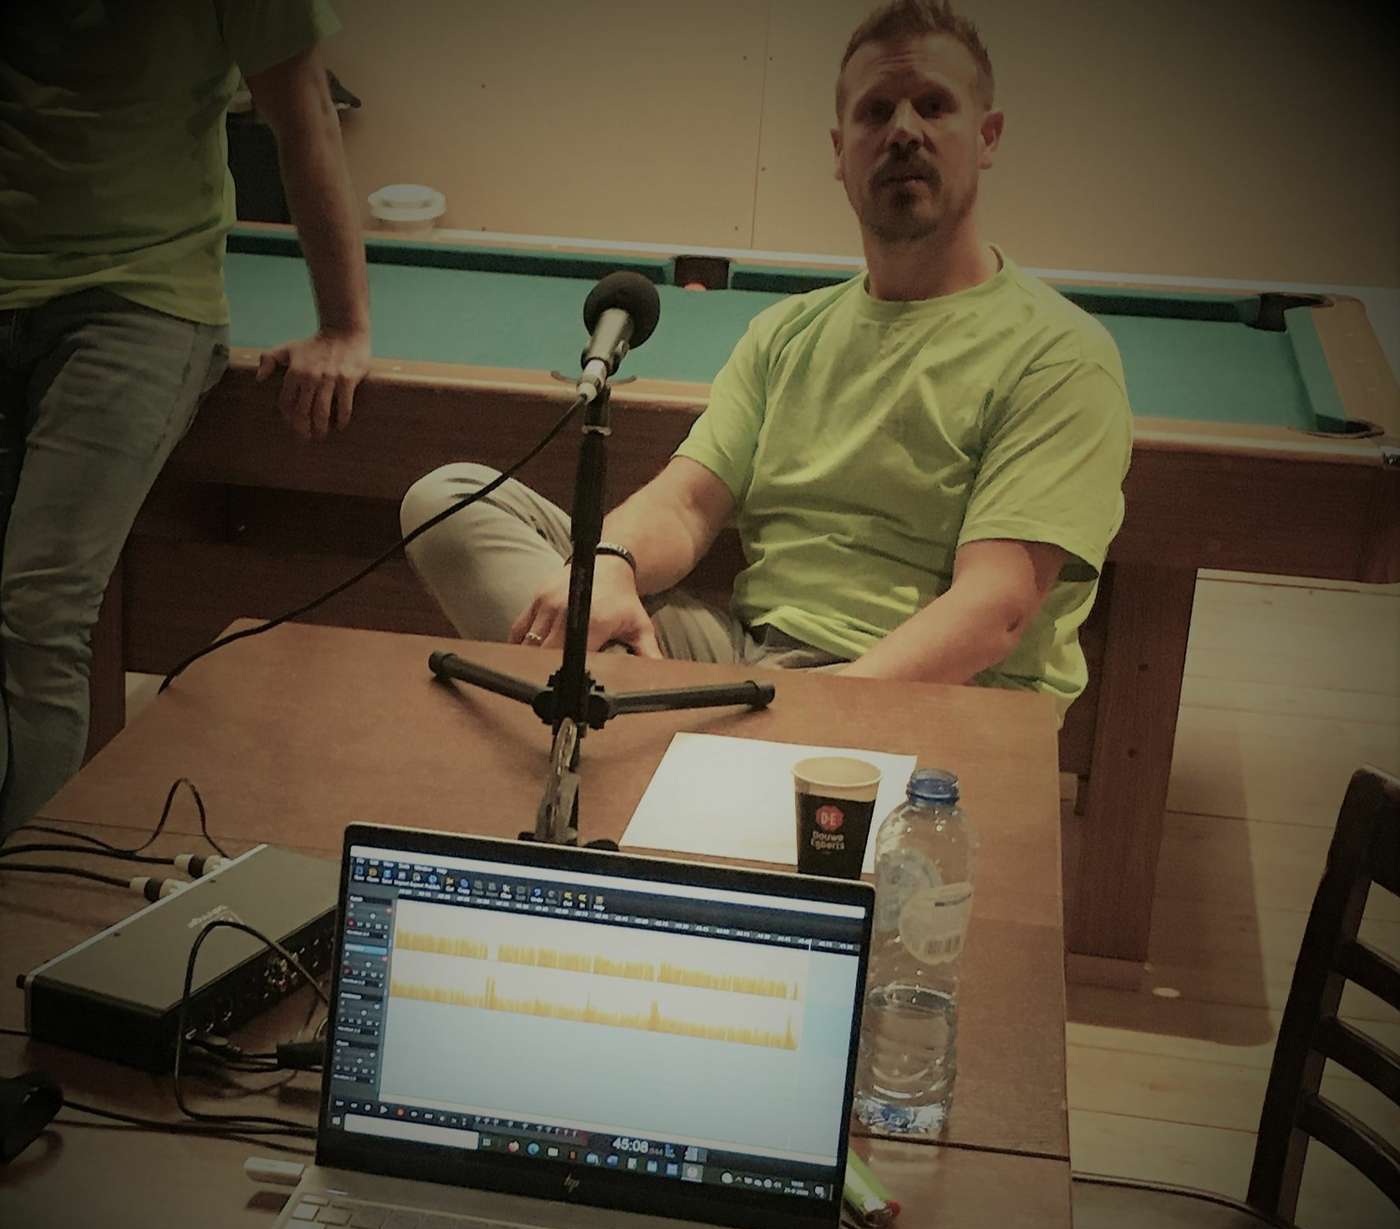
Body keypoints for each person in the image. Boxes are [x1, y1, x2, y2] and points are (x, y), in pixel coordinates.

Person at [400, 0, 1130, 720]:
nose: (904, 130)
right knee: (450, 501)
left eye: (934, 106)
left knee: (613, 711)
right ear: (840, 151)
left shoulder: (1059, 354)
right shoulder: (786, 333)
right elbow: (686, 504)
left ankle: (633, 729)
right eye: (876, 112)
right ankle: (639, 723)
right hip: (748, 662)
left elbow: (994, 610)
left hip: (927, 697)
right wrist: (611, 565)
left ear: (987, 136)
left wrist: (803, 716)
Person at [0, 0, 370, 837]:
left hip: (140, 298)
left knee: (38, 616)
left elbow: (304, 113)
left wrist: (344, 325)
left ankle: (22, 894)